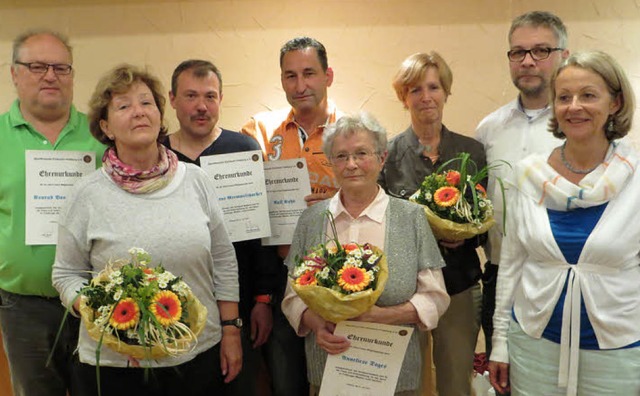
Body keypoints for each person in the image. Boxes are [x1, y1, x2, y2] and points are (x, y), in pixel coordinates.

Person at [52, 64, 241, 395]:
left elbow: (223, 259)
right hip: (115, 364)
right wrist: (105, 315)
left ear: (159, 113)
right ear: (106, 126)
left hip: (198, 354)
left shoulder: (196, 181)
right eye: (124, 106)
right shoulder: (86, 194)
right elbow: (65, 274)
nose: (138, 112)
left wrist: (231, 330)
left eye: (146, 103)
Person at [489, 51, 640, 396]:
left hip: (618, 351)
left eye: (588, 95)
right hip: (534, 343)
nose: (574, 107)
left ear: (615, 103)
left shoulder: (636, 177)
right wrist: (499, 342)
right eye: (564, 97)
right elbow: (512, 263)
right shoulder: (529, 174)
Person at [282, 112, 450, 396]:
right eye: (341, 156)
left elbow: (435, 297)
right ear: (331, 163)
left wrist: (382, 316)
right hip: (329, 372)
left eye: (361, 153)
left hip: (396, 376)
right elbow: (292, 295)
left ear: (382, 158)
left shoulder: (411, 218)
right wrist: (316, 323)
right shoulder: (311, 220)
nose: (351, 165)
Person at [163, 59, 280, 396]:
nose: (202, 107)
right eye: (191, 96)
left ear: (221, 99)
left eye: (210, 97)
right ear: (172, 99)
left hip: (239, 310)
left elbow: (261, 237)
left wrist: (263, 299)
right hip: (170, 310)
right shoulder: (156, 154)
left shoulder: (243, 149)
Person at [0, 30, 105, 396]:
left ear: (72, 76)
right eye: (37, 66)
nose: (50, 76)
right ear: (14, 73)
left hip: (97, 302)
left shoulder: (102, 136)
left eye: (61, 67)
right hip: (23, 308)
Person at [379, 51, 486, 396]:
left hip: (458, 285)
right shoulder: (387, 154)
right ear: (403, 97)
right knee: (409, 385)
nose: (425, 97)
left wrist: (465, 236)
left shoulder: (472, 151)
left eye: (433, 87)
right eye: (415, 90)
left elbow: (486, 220)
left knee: (456, 382)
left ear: (446, 92)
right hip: (405, 292)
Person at [241, 36, 343, 395]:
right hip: (280, 274)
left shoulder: (351, 133)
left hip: (338, 276)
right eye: (290, 76)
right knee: (285, 382)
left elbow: (374, 197)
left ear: (328, 76)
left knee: (335, 379)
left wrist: (337, 201)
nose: (300, 86)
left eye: (309, 74)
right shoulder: (259, 132)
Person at [475, 11, 569, 359]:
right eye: (518, 52)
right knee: (504, 376)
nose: (527, 61)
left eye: (541, 50)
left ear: (565, 56)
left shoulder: (578, 125)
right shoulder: (489, 129)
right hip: (500, 275)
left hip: (559, 276)